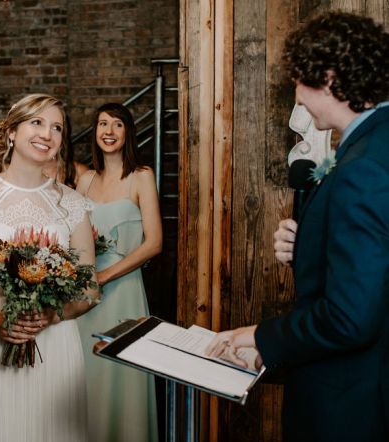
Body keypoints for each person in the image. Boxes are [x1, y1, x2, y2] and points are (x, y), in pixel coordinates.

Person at [206, 11, 389, 441]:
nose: (297, 97)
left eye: (299, 82)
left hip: (350, 404)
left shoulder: (363, 166)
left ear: (328, 78)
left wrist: (261, 336)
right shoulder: (375, 144)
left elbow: (350, 318)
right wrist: (310, 244)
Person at [0, 94, 99, 442]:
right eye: (37, 122)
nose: (47, 134)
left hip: (54, 343)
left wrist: (52, 315)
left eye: (57, 127)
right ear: (11, 132)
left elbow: (90, 288)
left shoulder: (73, 204)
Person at [75, 103, 162, 442]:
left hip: (123, 287)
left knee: (120, 371)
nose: (108, 131)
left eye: (117, 125)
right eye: (102, 124)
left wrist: (105, 276)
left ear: (128, 132)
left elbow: (154, 243)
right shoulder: (84, 180)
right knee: (87, 369)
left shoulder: (141, 176)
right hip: (84, 293)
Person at [41, 116, 89, 188]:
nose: (46, 136)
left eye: (56, 128)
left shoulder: (79, 173)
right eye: (37, 123)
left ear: (64, 136)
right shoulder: (22, 171)